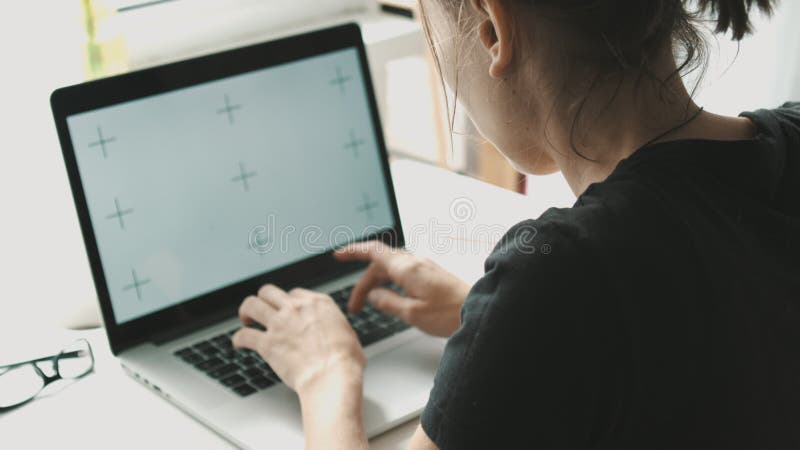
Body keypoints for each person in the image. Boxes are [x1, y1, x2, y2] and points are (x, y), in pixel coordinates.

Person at [232, 0, 800, 448]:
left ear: (493, 28)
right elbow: (701, 325)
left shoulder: (565, 276)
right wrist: (480, 321)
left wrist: (326, 373)